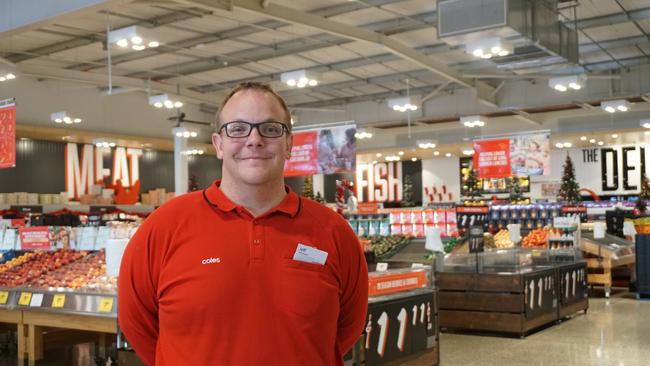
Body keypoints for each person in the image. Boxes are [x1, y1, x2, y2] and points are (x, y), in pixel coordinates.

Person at [118, 82, 368, 366]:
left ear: (289, 144)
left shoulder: (333, 232)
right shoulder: (163, 227)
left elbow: (347, 327)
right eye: (237, 129)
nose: (254, 139)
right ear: (218, 144)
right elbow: (137, 325)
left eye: (270, 129)